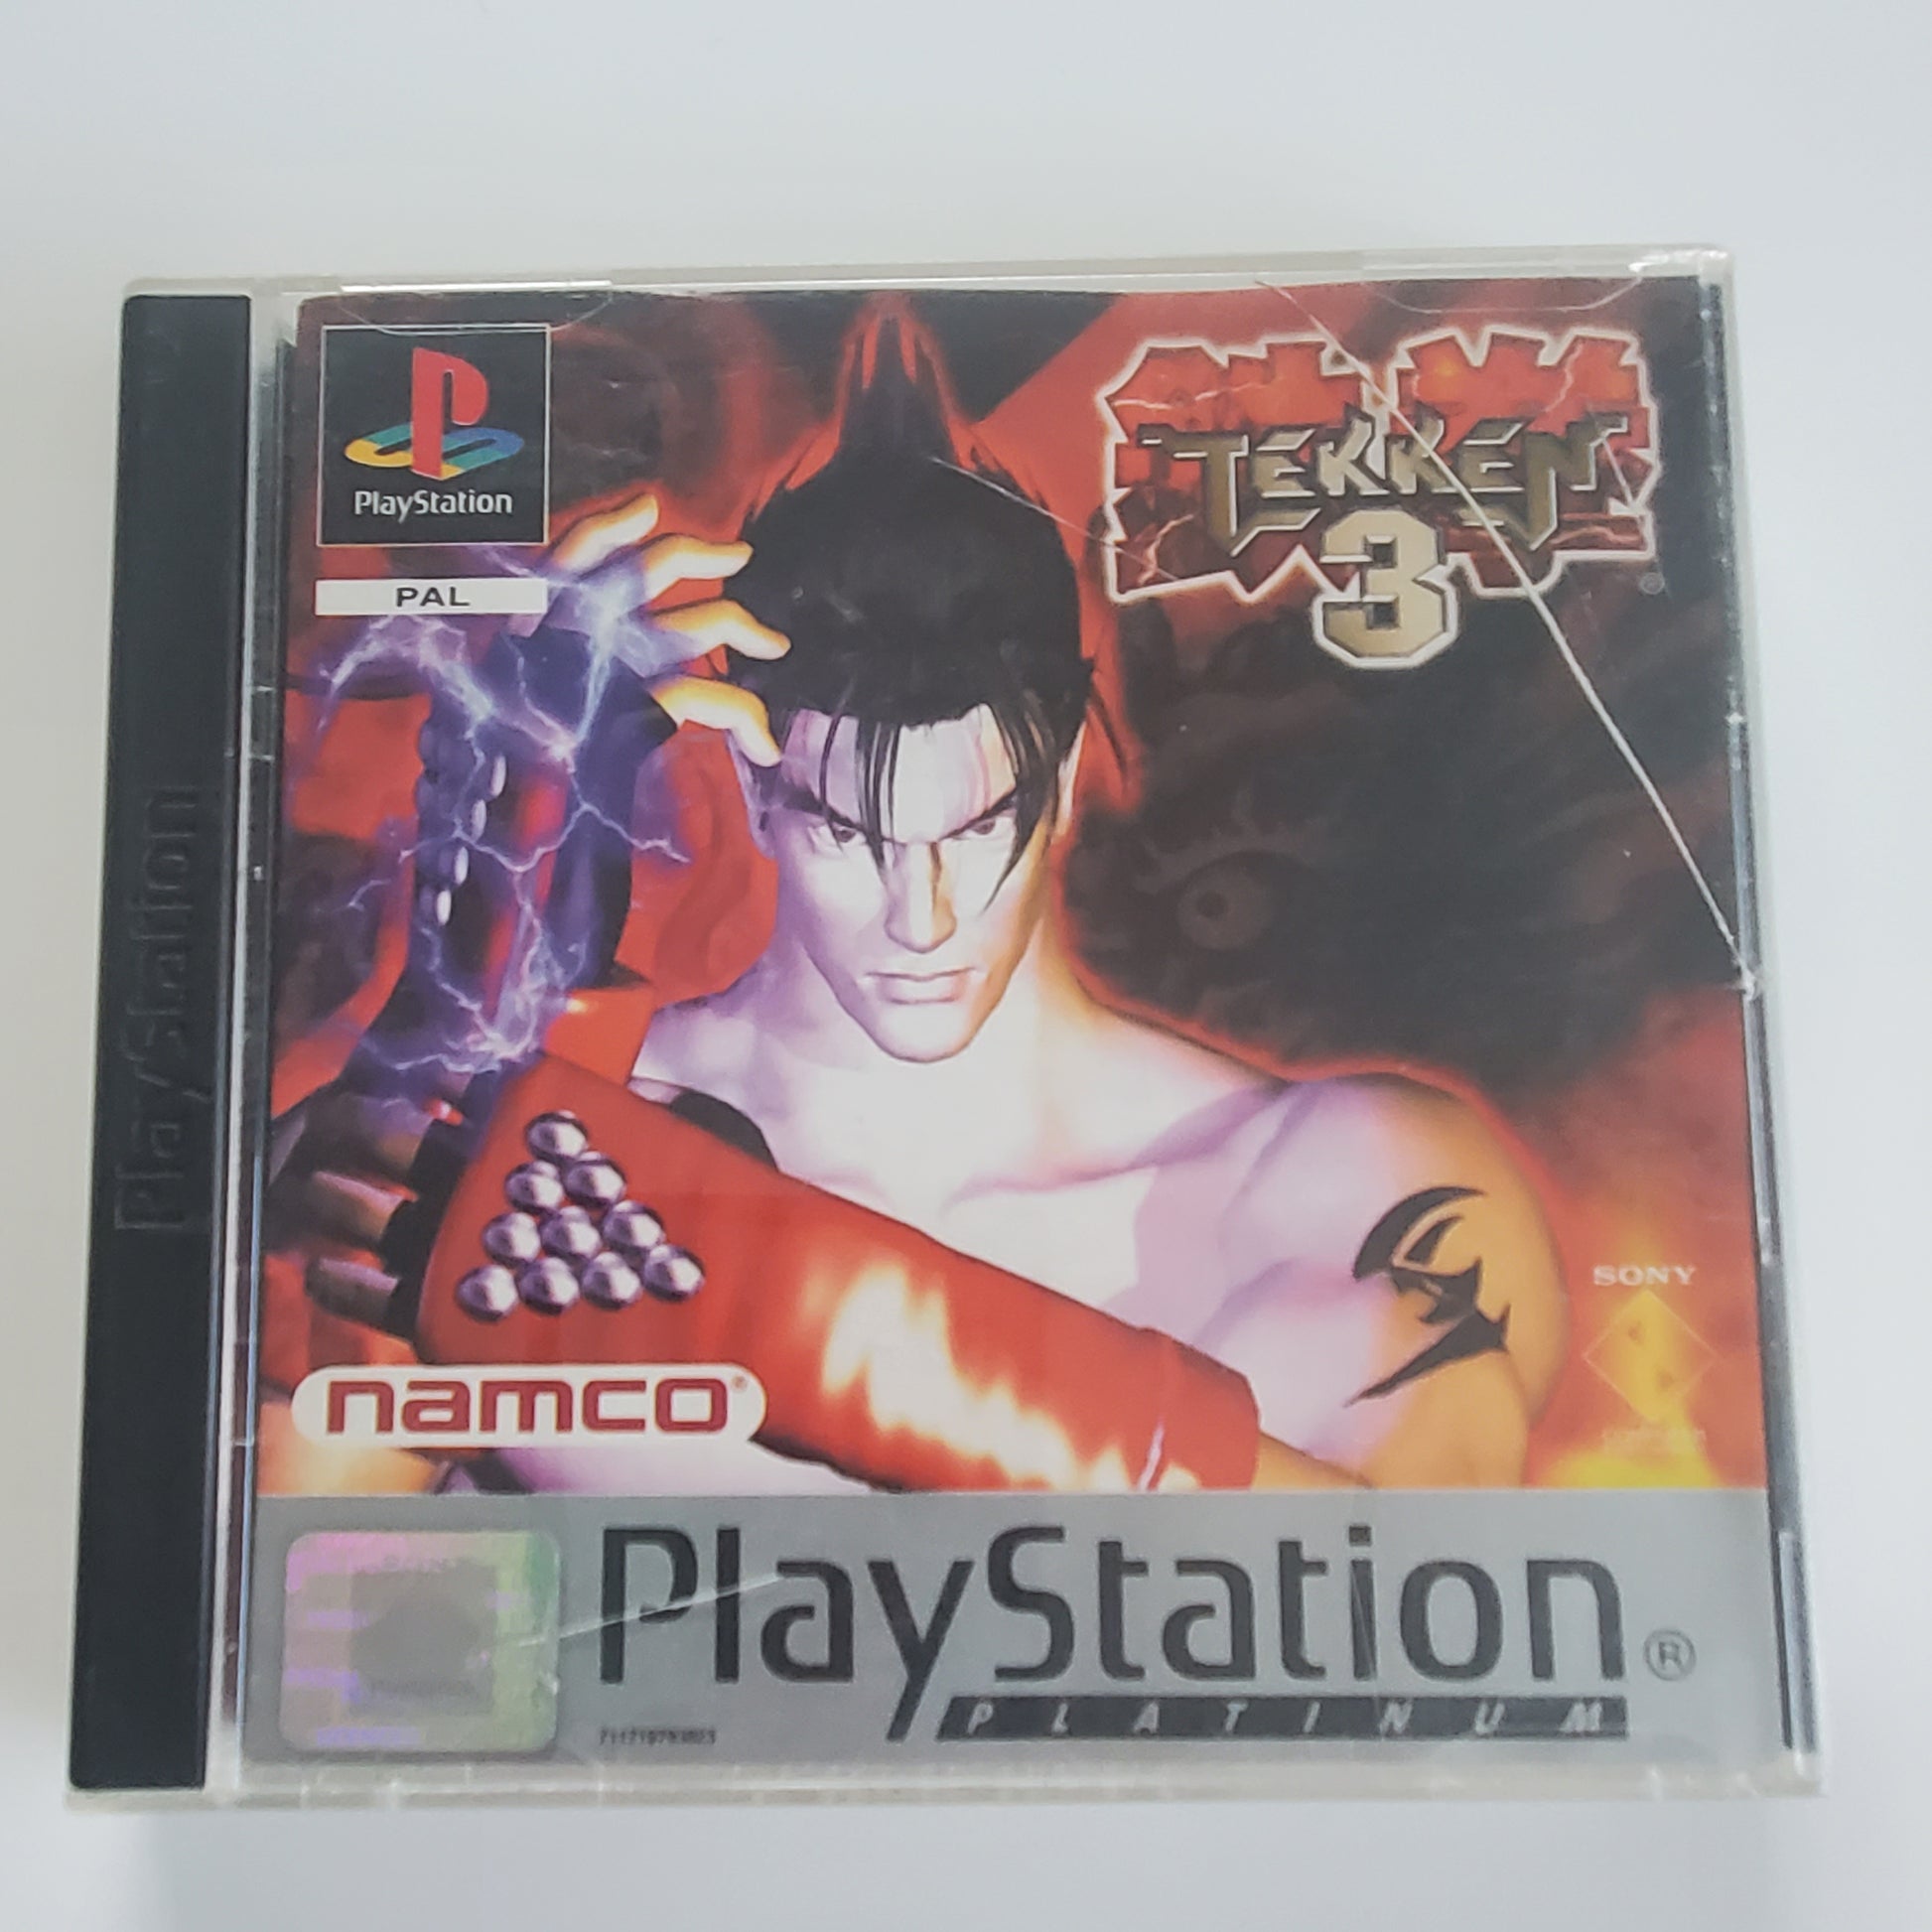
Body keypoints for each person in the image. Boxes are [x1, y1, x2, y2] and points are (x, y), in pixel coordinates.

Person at [284, 334, 1565, 1495]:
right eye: (850, 834)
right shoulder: (529, 1152)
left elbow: (1423, 1596)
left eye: (975, 829)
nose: (921, 917)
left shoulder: (1342, 1179)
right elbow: (297, 1579)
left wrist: (798, 1321)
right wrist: (476, 1003)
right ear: (755, 786)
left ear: (1064, 780)